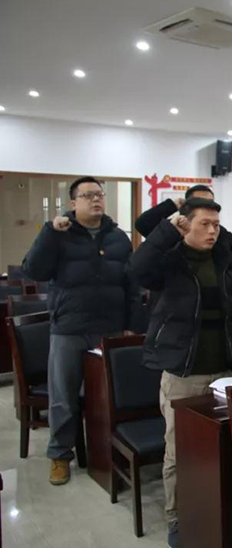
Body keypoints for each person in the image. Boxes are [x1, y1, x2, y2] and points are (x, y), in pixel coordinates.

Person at [129, 198, 232, 548]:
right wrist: (167, 232)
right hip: (184, 370)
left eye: (216, 225)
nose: (212, 231)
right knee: (179, 452)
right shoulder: (170, 258)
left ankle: (218, 509)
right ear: (185, 225)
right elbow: (137, 270)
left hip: (225, 369)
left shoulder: (222, 256)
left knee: (225, 448)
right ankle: (177, 518)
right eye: (204, 224)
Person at [22, 177, 140, 486]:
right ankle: (60, 455)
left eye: (99, 194)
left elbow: (131, 285)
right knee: (63, 397)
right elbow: (33, 270)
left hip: (109, 328)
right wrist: (49, 232)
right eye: (88, 195)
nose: (96, 200)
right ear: (73, 203)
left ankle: (106, 453)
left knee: (108, 397)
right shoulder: (59, 234)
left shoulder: (118, 237)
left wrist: (131, 325)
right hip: (69, 328)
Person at [135, 184, 232, 253]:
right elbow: (143, 224)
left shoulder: (221, 234)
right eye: (199, 201)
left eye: (210, 202)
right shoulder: (173, 229)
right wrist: (173, 205)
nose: (206, 205)